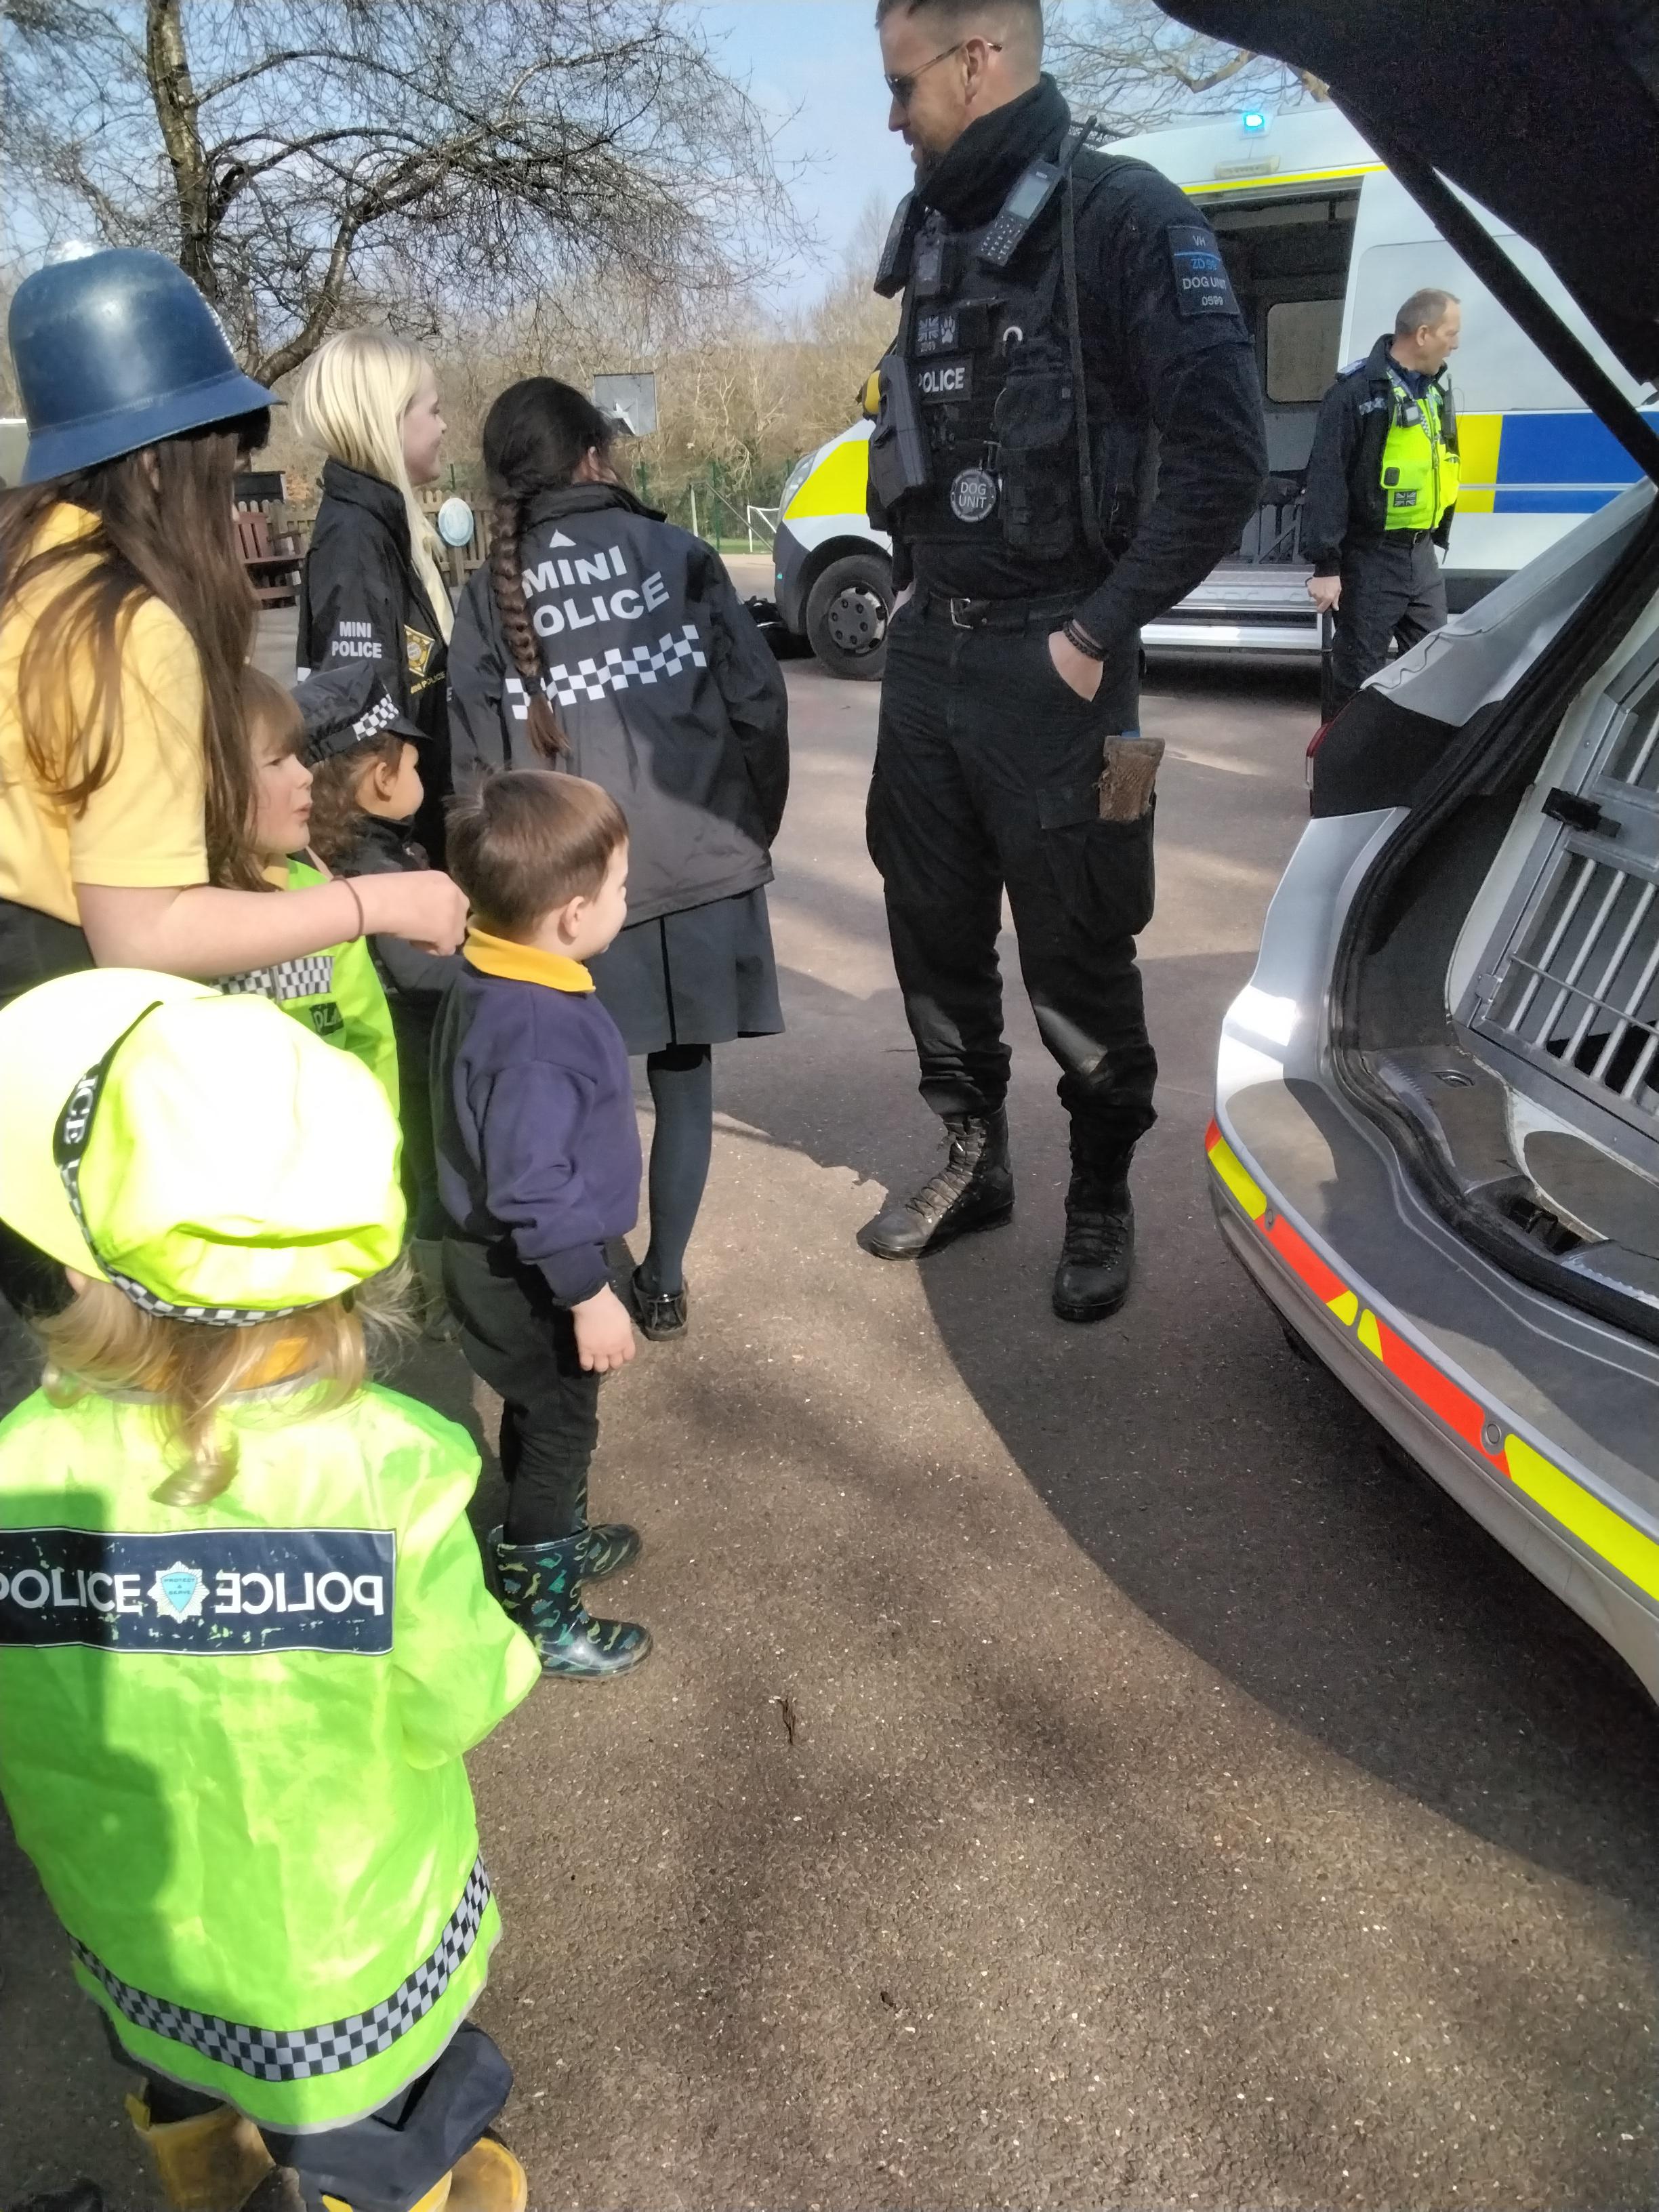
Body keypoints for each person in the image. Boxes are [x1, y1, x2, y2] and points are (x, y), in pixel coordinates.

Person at [0, 968, 537, 2211]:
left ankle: (204, 2166)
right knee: (366, 2121)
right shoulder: (392, 1471)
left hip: (130, 1910)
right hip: (339, 1942)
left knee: (172, 2059)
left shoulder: (18, 1468)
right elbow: (461, 1694)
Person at [861, 0, 1265, 1322]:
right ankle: (973, 1158)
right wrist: (914, 587)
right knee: (929, 927)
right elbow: (923, 427)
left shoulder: (1125, 216)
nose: (892, 115)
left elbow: (1222, 462)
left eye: (903, 85)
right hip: (932, 653)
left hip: (1069, 669)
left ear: (977, 60)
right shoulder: (933, 228)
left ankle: (1099, 1192)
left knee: (1083, 945)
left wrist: (1095, 635)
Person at [0, 249, 465, 1317]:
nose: (237, 481)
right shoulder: (127, 623)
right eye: (226, 453)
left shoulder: (27, 573)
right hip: (69, 1037)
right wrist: (378, 903)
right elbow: (144, 929)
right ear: (164, 461)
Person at [447, 379, 789, 1341]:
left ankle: (575, 1284)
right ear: (594, 455)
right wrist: (748, 831)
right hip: (696, 865)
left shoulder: (487, 593)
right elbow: (759, 705)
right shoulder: (679, 554)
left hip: (555, 886)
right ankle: (663, 1281)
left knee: (552, 1087)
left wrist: (485, 896)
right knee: (684, 1080)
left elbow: (472, 767)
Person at [433, 771, 652, 1681]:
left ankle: (548, 1529)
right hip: (530, 1271)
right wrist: (589, 1294)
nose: (627, 899)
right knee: (561, 1423)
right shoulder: (533, 1033)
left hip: (524, 1258)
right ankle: (543, 1609)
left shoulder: (500, 969)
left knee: (546, 1415)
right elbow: (532, 1186)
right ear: (571, 914)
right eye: (621, 887)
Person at [293, 329, 455, 861]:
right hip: (398, 845)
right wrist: (393, 862)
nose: (444, 426)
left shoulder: (388, 526)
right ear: (389, 420)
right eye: (434, 411)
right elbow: (363, 734)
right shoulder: (354, 543)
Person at [216, 667, 401, 1109]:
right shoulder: (172, 921)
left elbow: (371, 1042)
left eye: (299, 758)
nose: (305, 776)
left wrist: (379, 1143)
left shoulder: (325, 901)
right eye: (276, 762)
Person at [1303, 287, 1463, 711]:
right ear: (1423, 334)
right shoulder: (1356, 394)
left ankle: (1413, 755)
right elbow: (1327, 480)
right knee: (1358, 678)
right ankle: (1342, 755)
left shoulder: (1434, 392)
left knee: (1434, 668)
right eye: (1451, 333)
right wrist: (1326, 566)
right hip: (1370, 559)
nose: (1456, 344)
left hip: (1421, 556)